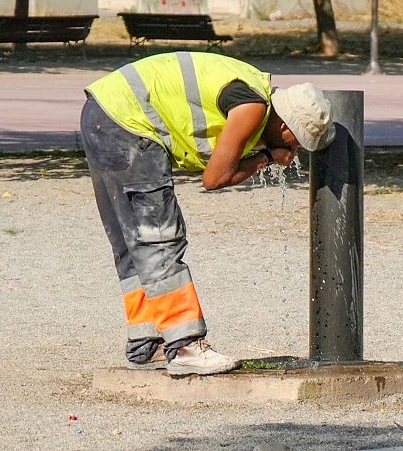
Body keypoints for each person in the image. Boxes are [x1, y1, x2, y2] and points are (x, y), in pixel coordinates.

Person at [79, 51, 335, 376]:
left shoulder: (250, 92)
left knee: (132, 240)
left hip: (104, 113)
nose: (297, 149)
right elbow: (215, 179)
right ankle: (185, 346)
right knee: (157, 236)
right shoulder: (252, 108)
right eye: (297, 140)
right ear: (284, 125)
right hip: (126, 123)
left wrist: (267, 152)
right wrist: (267, 157)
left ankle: (147, 340)